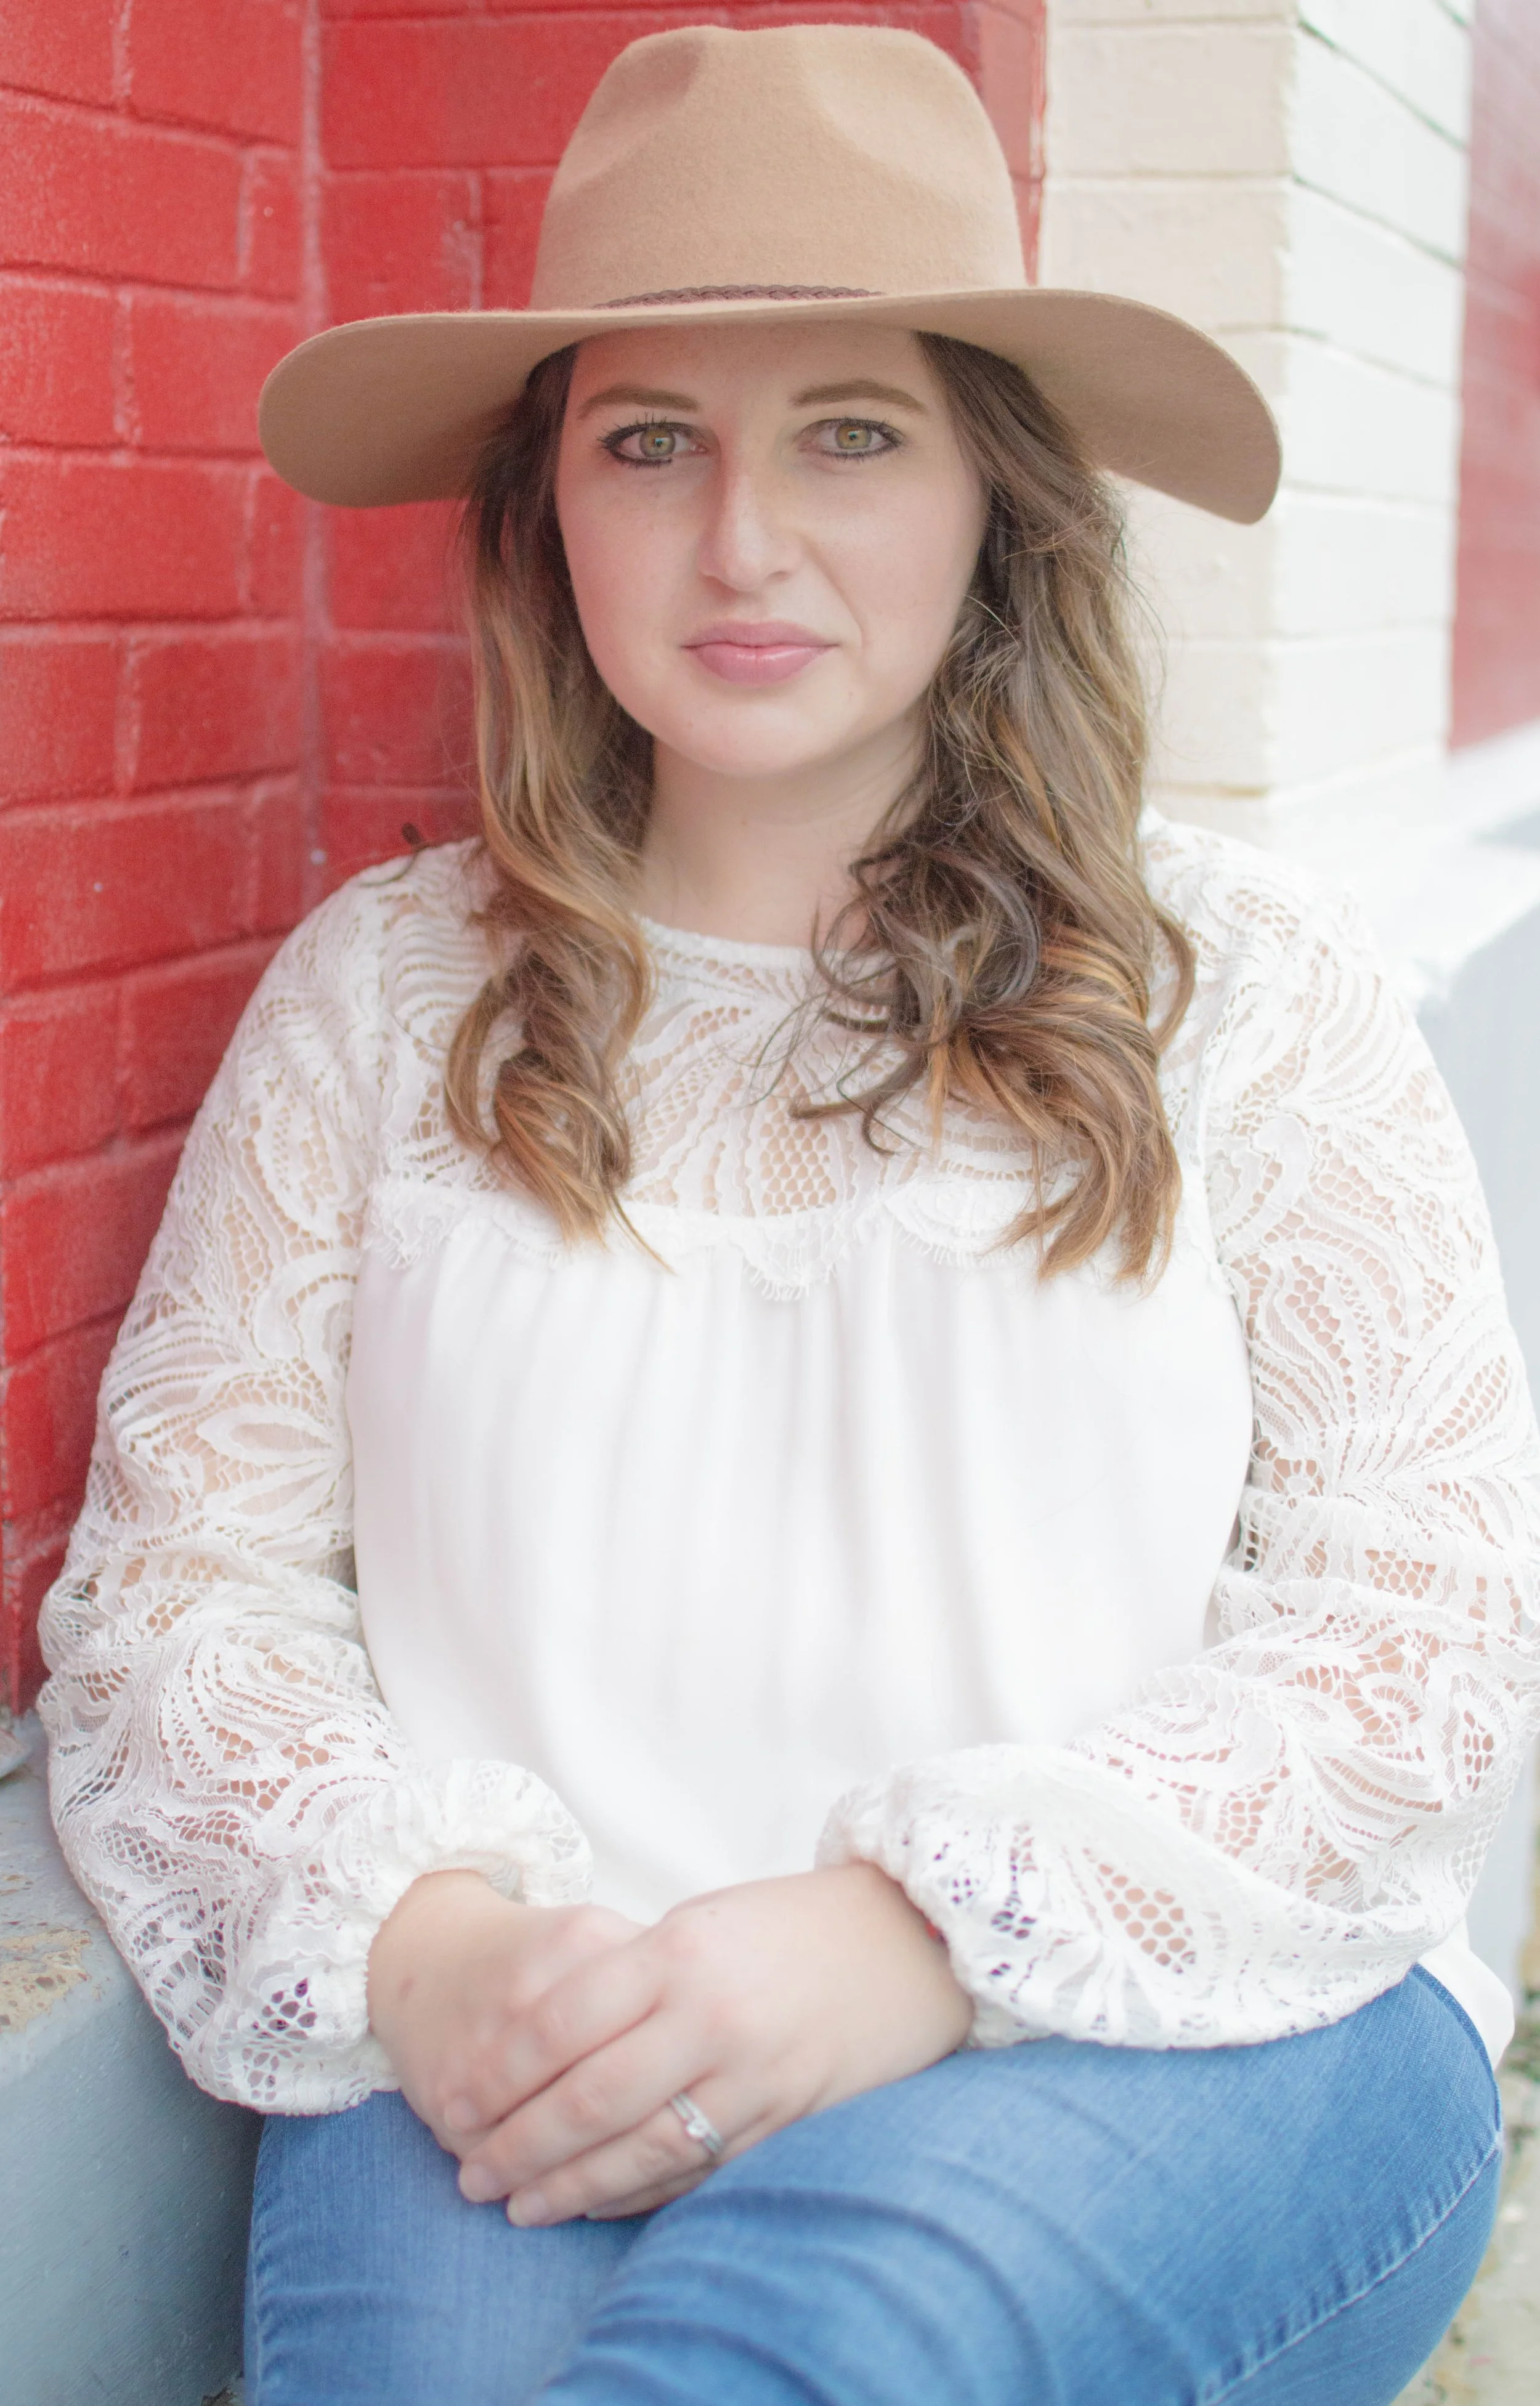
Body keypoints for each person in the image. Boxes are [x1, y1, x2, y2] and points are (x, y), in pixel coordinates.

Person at [39, 26, 1540, 2406]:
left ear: (993, 498)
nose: (743, 541)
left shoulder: (1234, 996)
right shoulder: (383, 999)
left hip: (1145, 2038)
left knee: (809, 2334)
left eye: (851, 430)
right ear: (553, 515)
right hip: (518, 2037)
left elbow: (1425, 1629)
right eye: (653, 444)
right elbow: (181, 1592)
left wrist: (908, 1941)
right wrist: (428, 1953)